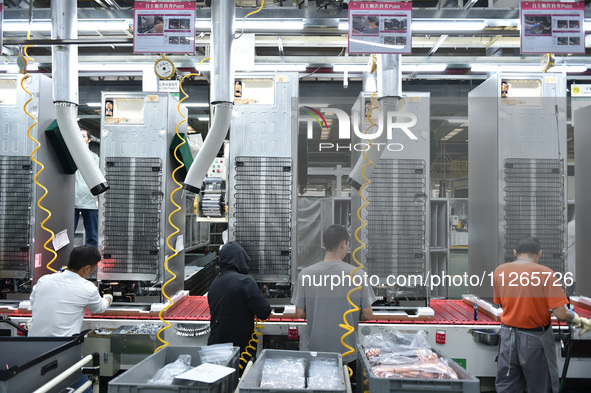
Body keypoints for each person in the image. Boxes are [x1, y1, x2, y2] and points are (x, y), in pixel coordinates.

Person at [493, 236, 591, 393]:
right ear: (539, 253)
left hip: (507, 337)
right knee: (540, 387)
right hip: (534, 340)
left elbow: (501, 303)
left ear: (515, 252)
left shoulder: (500, 271)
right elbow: (560, 313)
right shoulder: (545, 273)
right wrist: (577, 319)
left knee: (507, 386)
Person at [292, 225, 377, 366]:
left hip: (316, 352)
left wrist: (319, 313)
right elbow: (368, 314)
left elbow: (300, 313)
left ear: (325, 244)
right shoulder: (358, 274)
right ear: (343, 243)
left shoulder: (305, 274)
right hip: (346, 352)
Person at [28, 245, 113, 337]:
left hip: (33, 344)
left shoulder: (43, 280)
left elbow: (32, 303)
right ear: (87, 268)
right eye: (93, 269)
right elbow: (99, 308)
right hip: (63, 347)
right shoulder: (87, 288)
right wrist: (108, 298)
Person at [207, 242, 272, 354]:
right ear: (241, 259)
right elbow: (264, 312)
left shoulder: (215, 283)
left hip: (215, 348)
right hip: (239, 351)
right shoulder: (245, 282)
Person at [75, 127, 99, 248]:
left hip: (90, 202)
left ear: (89, 140)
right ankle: (68, 263)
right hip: (72, 202)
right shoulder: (70, 156)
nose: (80, 138)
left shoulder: (95, 159)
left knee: (93, 236)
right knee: (66, 234)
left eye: (83, 136)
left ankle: (91, 264)